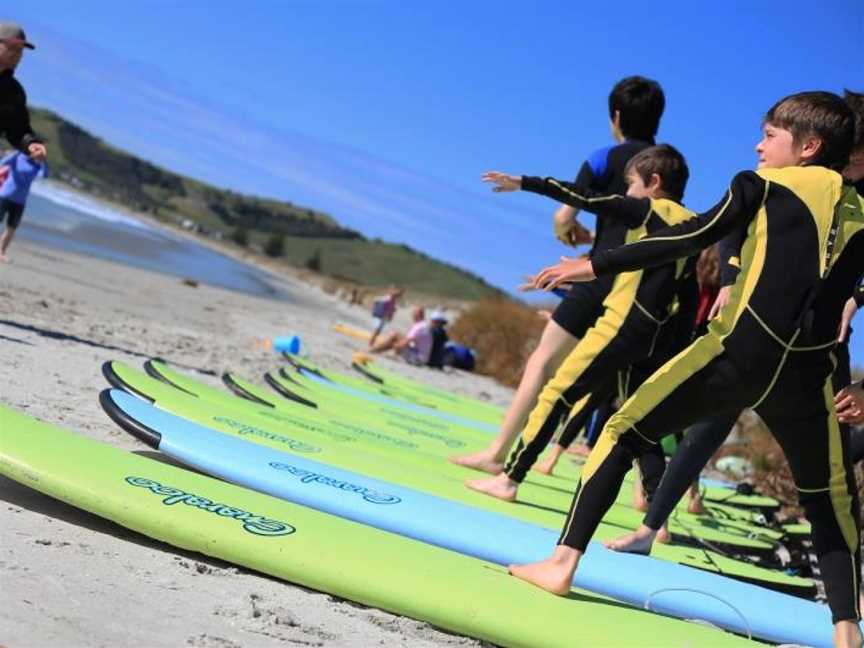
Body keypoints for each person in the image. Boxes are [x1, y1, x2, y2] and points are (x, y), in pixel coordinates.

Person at [508, 91, 863, 648]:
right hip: (810, 376)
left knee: (625, 429)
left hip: (737, 353)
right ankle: (847, 633)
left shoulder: (761, 184)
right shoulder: (861, 212)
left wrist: (592, 263)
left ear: (808, 146)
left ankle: (560, 563)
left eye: (770, 135)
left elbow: (689, 235)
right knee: (828, 499)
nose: (757, 144)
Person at [450, 76, 665, 474]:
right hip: (639, 289)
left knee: (543, 364)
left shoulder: (604, 158)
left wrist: (566, 233)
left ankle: (498, 454)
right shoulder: (665, 165)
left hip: (596, 276)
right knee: (622, 389)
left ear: (615, 116)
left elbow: (565, 213)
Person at [467, 144, 697, 506]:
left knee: (556, 395)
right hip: (652, 340)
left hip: (619, 327)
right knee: (639, 424)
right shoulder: (692, 227)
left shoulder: (647, 210)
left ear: (654, 182)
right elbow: (688, 298)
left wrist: (524, 182)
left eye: (633, 184)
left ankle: (509, 478)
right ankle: (658, 519)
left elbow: (588, 198)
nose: (628, 193)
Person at [0, 22, 45, 186]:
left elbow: (18, 129)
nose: (18, 54)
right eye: (13, 47)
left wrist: (31, 144)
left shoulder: (14, 92)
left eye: (21, 50)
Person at [0, 148, 47, 261]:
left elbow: (44, 175)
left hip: (20, 202)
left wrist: (43, 160)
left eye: (39, 150)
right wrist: (19, 151)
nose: (36, 152)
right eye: (35, 149)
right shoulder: (18, 158)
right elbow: (3, 163)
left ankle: (1, 252)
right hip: (5, 196)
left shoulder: (37, 166)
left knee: (11, 228)